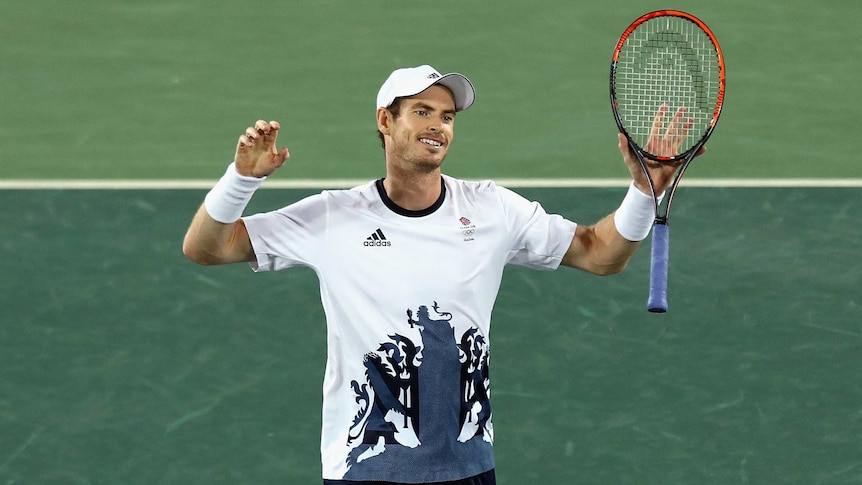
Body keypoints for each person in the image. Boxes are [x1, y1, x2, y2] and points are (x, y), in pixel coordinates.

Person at [182, 64, 702, 484]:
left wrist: (644, 191)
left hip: (468, 469)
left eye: (448, 116)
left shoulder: (493, 208)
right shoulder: (333, 217)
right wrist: (239, 182)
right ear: (385, 121)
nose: (438, 125)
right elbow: (207, 248)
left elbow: (599, 253)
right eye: (422, 111)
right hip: (367, 470)